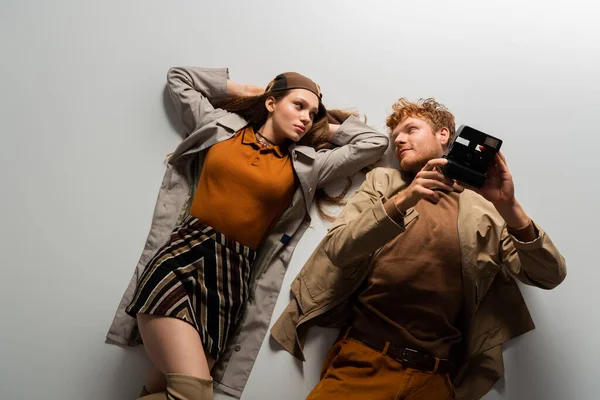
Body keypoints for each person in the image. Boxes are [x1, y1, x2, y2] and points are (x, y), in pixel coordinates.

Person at [105, 66, 389, 400]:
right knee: (193, 393)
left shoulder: (308, 165)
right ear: (272, 103)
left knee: (164, 390)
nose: (306, 118)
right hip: (182, 260)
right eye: (298, 106)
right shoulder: (219, 126)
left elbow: (374, 143)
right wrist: (246, 91)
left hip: (232, 280)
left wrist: (326, 126)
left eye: (312, 113)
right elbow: (178, 78)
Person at [271, 98, 567, 400]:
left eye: (411, 129)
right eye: (395, 135)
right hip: (364, 362)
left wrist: (509, 206)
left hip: (436, 379)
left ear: (443, 135)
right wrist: (405, 198)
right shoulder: (383, 182)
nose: (399, 139)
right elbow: (338, 249)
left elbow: (549, 276)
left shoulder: (486, 209)